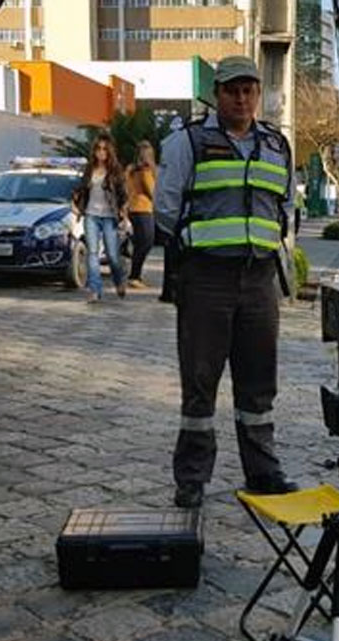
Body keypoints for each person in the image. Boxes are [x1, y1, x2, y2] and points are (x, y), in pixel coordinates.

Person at [154, 55, 298, 509]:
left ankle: (263, 473)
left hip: (259, 282)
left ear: (258, 94)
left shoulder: (278, 145)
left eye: (249, 89)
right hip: (206, 280)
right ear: (216, 94)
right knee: (200, 382)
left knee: (259, 385)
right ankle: (192, 480)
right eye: (232, 89)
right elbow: (165, 207)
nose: (241, 97)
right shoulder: (187, 143)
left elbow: (285, 208)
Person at [72, 133, 129, 303]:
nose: (101, 152)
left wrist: (123, 214)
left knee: (112, 255)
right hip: (91, 215)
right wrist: (75, 204)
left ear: (109, 151)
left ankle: (119, 280)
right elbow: (81, 190)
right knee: (93, 253)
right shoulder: (89, 169)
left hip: (109, 217)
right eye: (98, 148)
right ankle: (95, 291)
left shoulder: (116, 170)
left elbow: (123, 195)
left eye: (104, 149)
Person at [125, 140, 157, 289]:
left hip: (133, 208)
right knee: (146, 243)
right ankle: (134, 276)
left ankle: (135, 274)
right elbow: (151, 190)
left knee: (140, 244)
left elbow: (126, 188)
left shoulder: (130, 169)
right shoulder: (146, 170)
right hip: (144, 209)